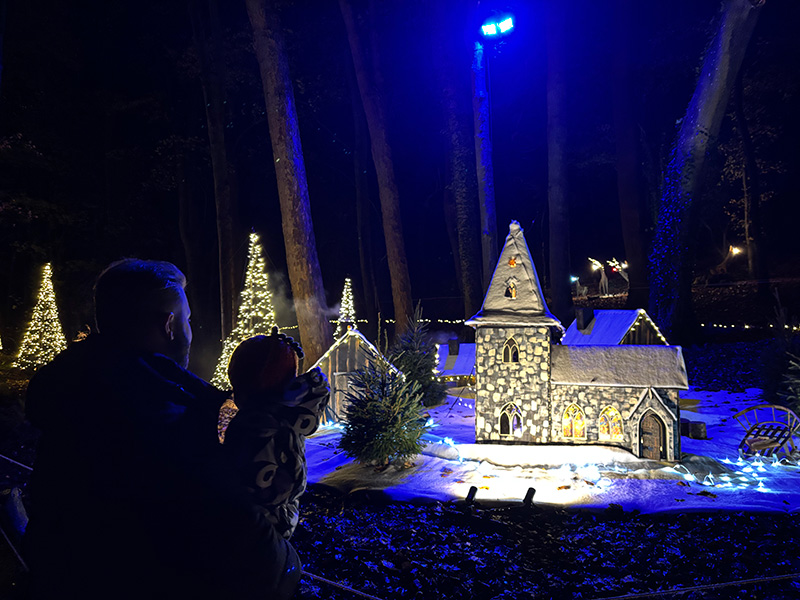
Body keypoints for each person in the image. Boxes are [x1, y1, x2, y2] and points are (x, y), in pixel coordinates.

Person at [24, 259, 300, 600]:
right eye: (187, 320)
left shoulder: (72, 392)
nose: (189, 330)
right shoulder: (165, 420)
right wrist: (286, 557)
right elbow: (248, 549)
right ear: (169, 325)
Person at [224, 329, 329, 540]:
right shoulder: (285, 416)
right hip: (273, 526)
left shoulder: (259, 427)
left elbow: (270, 485)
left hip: (259, 533)